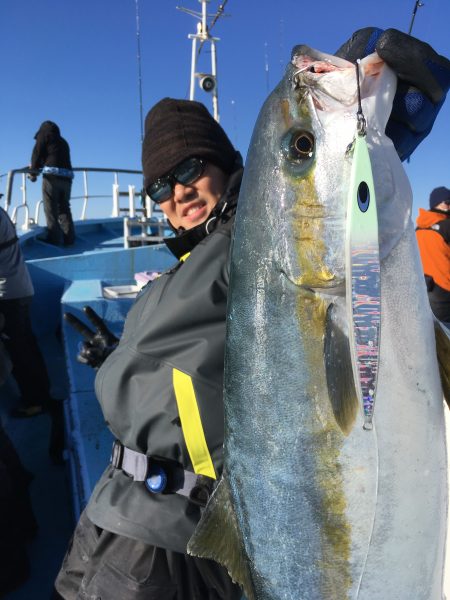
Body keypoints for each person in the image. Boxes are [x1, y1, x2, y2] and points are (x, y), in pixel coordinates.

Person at [54, 28, 450, 600]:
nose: (176, 195)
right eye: (159, 187)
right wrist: (115, 361)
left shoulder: (246, 240)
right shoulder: (176, 271)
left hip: (167, 546)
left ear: (225, 164)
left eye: (189, 169)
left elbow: (302, 224)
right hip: (104, 521)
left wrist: (367, 123)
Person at [0, 206, 55, 418]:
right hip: (20, 288)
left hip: (8, 295)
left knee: (19, 351)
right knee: (27, 346)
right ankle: (42, 394)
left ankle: (35, 401)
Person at [29, 121, 75, 246]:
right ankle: (69, 239)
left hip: (52, 177)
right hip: (67, 177)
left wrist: (33, 172)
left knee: (50, 208)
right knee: (64, 208)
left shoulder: (44, 135)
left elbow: (37, 153)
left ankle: (54, 239)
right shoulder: (63, 141)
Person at [415, 186, 450, 325]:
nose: (449, 206)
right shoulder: (447, 225)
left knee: (438, 333)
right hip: (447, 291)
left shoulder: (418, 228)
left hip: (427, 289)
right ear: (437, 204)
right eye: (447, 202)